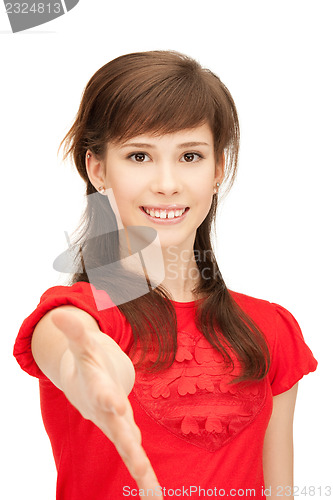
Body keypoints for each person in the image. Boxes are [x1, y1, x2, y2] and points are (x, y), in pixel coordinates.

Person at [13, 50, 318, 500]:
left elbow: (279, 492)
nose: (168, 182)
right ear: (98, 169)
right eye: (139, 156)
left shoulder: (271, 329)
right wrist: (92, 372)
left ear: (218, 169)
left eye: (190, 156)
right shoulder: (77, 316)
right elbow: (75, 356)